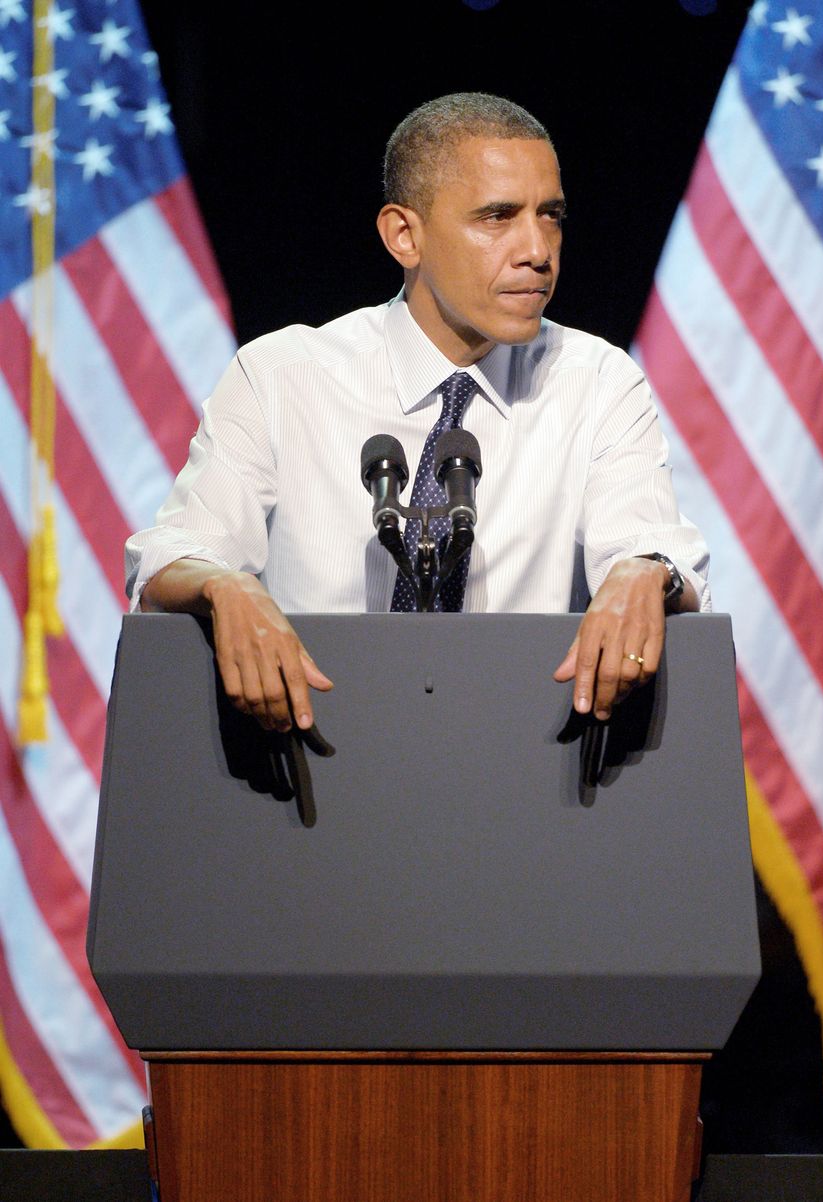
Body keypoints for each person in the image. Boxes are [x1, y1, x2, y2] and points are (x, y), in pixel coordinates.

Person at [125, 92, 710, 735]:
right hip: (316, 761)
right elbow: (167, 562)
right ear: (405, 235)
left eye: (551, 216)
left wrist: (643, 572)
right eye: (497, 217)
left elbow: (657, 555)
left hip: (524, 765)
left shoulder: (597, 382)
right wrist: (223, 588)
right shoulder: (281, 377)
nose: (538, 250)